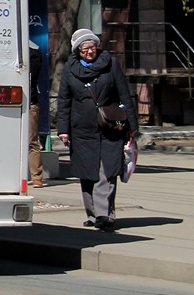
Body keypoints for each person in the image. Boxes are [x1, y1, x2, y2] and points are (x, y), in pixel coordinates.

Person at [56, 28, 139, 231]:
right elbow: (64, 100)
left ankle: (105, 215)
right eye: (85, 49)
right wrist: (63, 129)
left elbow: (124, 94)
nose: (90, 51)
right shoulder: (70, 68)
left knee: (107, 171)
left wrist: (132, 125)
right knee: (87, 173)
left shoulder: (110, 65)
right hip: (81, 129)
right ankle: (92, 214)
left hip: (110, 127)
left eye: (92, 47)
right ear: (78, 50)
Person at [28, 42, 44, 188]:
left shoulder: (33, 51)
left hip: (30, 102)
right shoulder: (34, 50)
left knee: (32, 141)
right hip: (27, 101)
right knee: (32, 141)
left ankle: (37, 176)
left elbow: (32, 75)